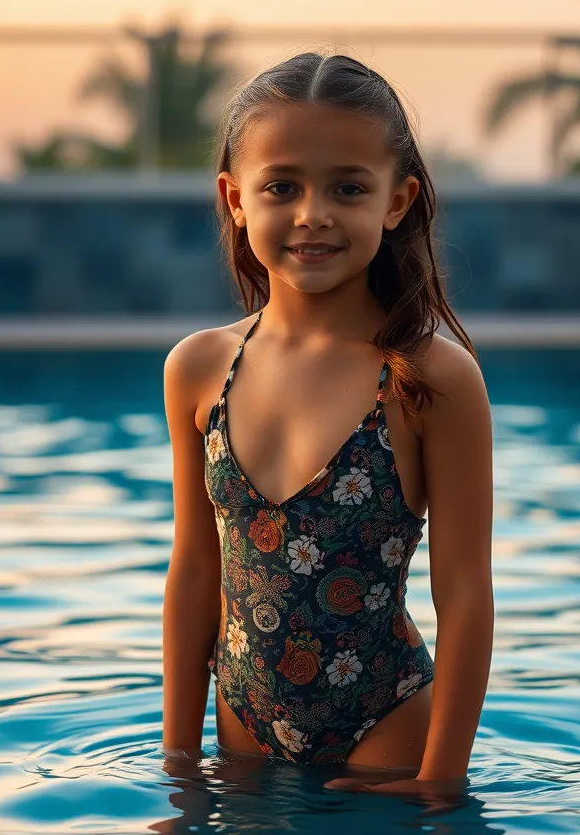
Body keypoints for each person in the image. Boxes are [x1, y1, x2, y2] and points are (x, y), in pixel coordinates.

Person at [161, 51, 494, 799]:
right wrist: (177, 759)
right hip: (239, 731)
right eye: (282, 186)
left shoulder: (429, 378)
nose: (312, 213)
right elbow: (193, 570)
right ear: (235, 198)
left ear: (398, 200)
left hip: (387, 730)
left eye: (348, 188)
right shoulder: (197, 368)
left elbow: (466, 593)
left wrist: (441, 783)